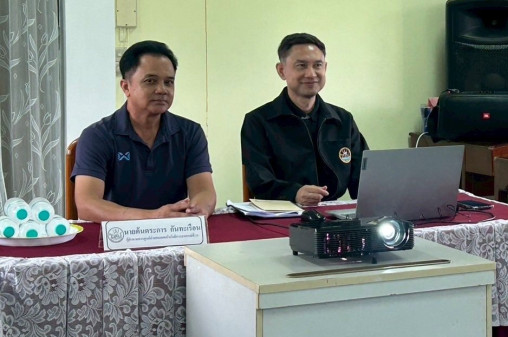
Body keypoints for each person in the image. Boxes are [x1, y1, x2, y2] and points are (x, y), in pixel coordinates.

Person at [72, 41, 217, 222]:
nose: (162, 90)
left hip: (174, 230)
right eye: (150, 81)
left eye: (169, 82)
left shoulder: (190, 133)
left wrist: (198, 209)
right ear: (126, 87)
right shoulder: (97, 136)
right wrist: (154, 217)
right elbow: (87, 205)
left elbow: (204, 191)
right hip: (118, 233)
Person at [241, 33, 367, 205]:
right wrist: (295, 193)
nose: (311, 73)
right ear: (281, 70)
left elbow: (363, 178)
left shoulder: (343, 119)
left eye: (318, 65)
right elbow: (259, 180)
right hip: (282, 212)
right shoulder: (258, 121)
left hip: (331, 213)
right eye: (301, 66)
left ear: (325, 68)